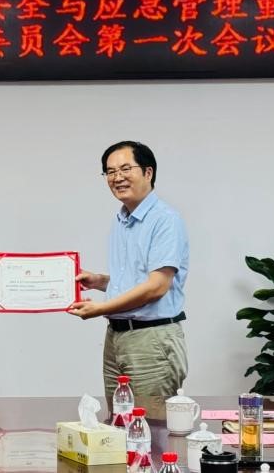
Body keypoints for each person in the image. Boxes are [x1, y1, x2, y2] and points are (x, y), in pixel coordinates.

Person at [69, 141, 190, 404]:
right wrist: (99, 281)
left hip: (151, 340)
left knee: (152, 422)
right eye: (110, 171)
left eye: (125, 169)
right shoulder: (122, 220)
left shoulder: (165, 219)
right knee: (117, 422)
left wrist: (101, 309)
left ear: (148, 172)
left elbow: (156, 287)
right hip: (117, 337)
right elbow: (136, 279)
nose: (117, 177)